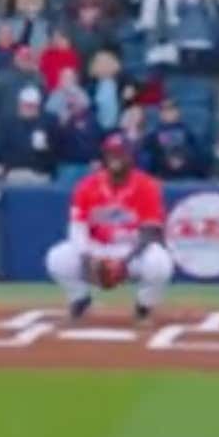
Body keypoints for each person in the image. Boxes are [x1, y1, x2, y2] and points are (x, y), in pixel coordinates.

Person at [46, 134, 172, 325]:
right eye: (111, 154)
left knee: (160, 261)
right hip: (97, 247)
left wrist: (124, 262)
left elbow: (150, 231)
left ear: (131, 156)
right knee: (57, 258)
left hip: (131, 250)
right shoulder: (87, 186)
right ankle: (80, 299)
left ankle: (143, 307)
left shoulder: (146, 185)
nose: (116, 159)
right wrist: (87, 258)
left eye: (121, 154)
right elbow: (77, 228)